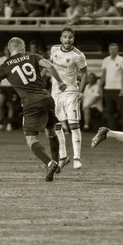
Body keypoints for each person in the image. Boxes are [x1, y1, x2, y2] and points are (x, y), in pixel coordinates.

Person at [0, 37, 67, 182]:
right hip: (47, 98)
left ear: (10, 49)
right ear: (21, 47)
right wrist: (60, 82)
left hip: (31, 102)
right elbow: (49, 66)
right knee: (50, 131)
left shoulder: (5, 65)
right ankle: (57, 163)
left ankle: (50, 163)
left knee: (30, 139)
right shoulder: (33, 56)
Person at [49, 27, 88, 171]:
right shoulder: (54, 50)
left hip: (71, 93)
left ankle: (77, 157)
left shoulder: (78, 55)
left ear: (73, 39)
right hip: (55, 94)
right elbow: (49, 65)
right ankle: (63, 156)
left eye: (70, 37)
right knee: (56, 126)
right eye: (65, 37)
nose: (67, 39)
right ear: (61, 38)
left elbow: (84, 74)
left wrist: (81, 91)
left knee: (73, 125)